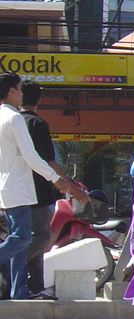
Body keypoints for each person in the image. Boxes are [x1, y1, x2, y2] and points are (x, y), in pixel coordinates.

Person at [0, 73, 89, 300]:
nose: (21, 93)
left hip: (8, 188)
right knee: (22, 239)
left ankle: (18, 290)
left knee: (19, 243)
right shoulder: (15, 118)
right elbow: (31, 156)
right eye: (19, 89)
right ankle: (18, 288)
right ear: (11, 91)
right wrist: (55, 178)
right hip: (18, 188)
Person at [20, 81, 64, 299]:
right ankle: (8, 262)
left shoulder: (11, 122)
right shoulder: (37, 124)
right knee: (42, 237)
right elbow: (49, 161)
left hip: (13, 192)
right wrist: (68, 184)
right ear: (39, 99)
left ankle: (35, 285)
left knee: (27, 238)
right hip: (36, 191)